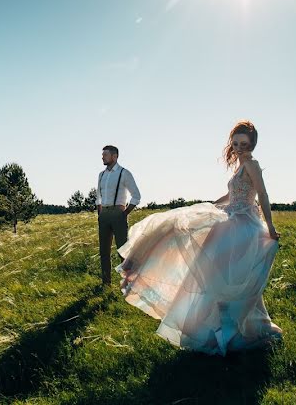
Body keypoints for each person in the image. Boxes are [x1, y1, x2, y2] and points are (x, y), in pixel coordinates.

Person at [115, 120, 282, 355]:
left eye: (244, 143)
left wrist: (271, 227)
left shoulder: (252, 165)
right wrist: (213, 205)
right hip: (232, 218)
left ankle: (235, 330)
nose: (239, 148)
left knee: (227, 279)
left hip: (243, 226)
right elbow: (232, 194)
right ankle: (222, 329)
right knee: (215, 276)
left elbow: (262, 194)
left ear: (253, 144)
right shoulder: (240, 167)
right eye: (235, 143)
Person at [96, 145, 141, 288]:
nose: (102, 157)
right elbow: (98, 197)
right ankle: (106, 283)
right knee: (104, 251)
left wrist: (125, 213)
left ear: (114, 156)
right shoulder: (101, 175)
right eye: (103, 155)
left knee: (122, 250)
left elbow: (136, 196)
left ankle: (128, 282)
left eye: (105, 155)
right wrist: (100, 213)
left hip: (118, 213)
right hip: (104, 214)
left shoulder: (124, 173)